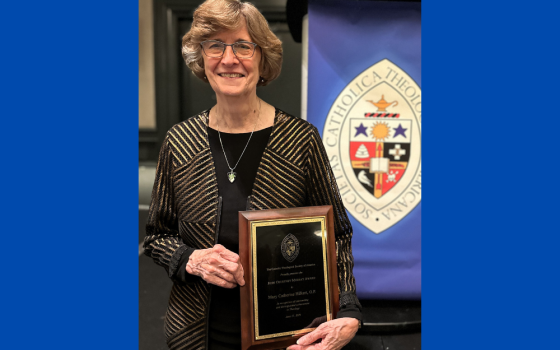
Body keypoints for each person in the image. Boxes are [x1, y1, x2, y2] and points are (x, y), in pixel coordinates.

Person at [143, 1, 362, 349]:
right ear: (202, 59)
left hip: (286, 337)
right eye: (215, 45)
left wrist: (348, 308)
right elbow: (156, 236)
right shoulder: (179, 142)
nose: (229, 59)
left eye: (243, 46)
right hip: (196, 336)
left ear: (262, 58)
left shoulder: (300, 140)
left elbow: (337, 235)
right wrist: (191, 259)